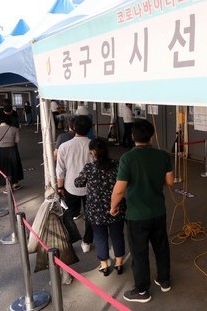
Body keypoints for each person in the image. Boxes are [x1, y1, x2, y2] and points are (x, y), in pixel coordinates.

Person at [110, 119, 174, 303]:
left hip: (137, 215)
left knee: (139, 253)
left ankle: (141, 291)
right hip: (158, 212)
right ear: (152, 136)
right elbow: (170, 182)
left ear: (132, 137)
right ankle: (164, 280)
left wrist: (113, 207)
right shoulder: (163, 156)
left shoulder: (127, 158)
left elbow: (119, 189)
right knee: (161, 247)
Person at [75, 139, 126, 277]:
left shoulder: (89, 168)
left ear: (92, 152)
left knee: (100, 237)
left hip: (96, 209)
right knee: (117, 235)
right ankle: (119, 263)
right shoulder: (117, 164)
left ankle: (104, 265)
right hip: (116, 206)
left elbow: (78, 183)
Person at [56, 115, 94, 253]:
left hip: (70, 186)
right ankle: (87, 241)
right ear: (90, 128)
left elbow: (60, 170)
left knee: (68, 214)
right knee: (90, 215)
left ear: (73, 128)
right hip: (91, 187)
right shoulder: (94, 145)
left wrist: (60, 187)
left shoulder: (64, 146)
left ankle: (69, 240)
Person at [0, 114, 23, 190]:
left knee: (2, 167)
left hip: (0, 151)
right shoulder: (15, 129)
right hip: (12, 150)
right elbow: (17, 140)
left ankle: (6, 185)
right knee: (13, 167)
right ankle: (14, 183)